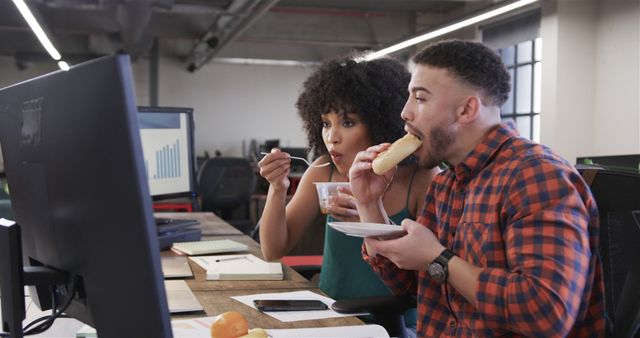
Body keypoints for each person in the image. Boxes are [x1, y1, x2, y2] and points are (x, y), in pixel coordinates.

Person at [349, 39, 605, 337]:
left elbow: (546, 314)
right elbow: (412, 284)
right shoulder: (445, 184)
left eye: (419, 99)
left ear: (467, 109)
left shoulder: (537, 176)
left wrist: (439, 258)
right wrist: (368, 202)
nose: (405, 113)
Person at [258, 53, 439, 335]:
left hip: (397, 324)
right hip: (329, 318)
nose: (332, 137)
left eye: (348, 122)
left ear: (382, 122)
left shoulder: (422, 179)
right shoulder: (322, 170)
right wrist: (277, 188)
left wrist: (370, 212)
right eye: (326, 123)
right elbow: (273, 250)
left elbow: (430, 270)